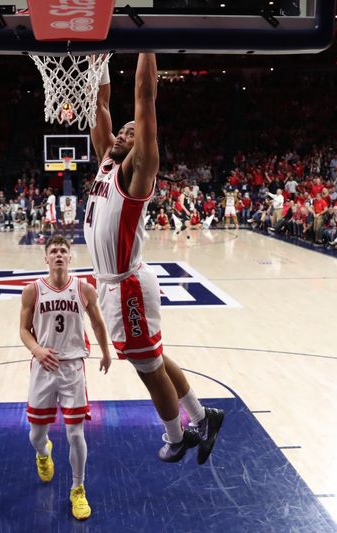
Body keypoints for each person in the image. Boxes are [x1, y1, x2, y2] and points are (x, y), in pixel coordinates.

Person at [85, 53, 224, 464]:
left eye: (130, 132)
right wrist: (99, 60)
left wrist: (145, 43)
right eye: (120, 132)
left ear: (138, 143)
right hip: (112, 283)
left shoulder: (137, 170)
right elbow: (100, 106)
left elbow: (145, 100)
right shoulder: (105, 165)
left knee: (148, 369)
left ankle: (177, 436)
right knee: (153, 358)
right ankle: (204, 417)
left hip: (126, 283)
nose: (123, 132)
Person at [19, 235, 112, 521]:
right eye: (53, 251)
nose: (59, 254)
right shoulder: (32, 290)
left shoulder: (84, 289)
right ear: (46, 258)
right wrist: (36, 349)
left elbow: (97, 322)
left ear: (70, 258)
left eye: (63, 251)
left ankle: (77, 488)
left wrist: (106, 352)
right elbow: (23, 329)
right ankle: (44, 453)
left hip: (72, 367)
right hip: (43, 367)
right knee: (36, 435)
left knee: (75, 433)